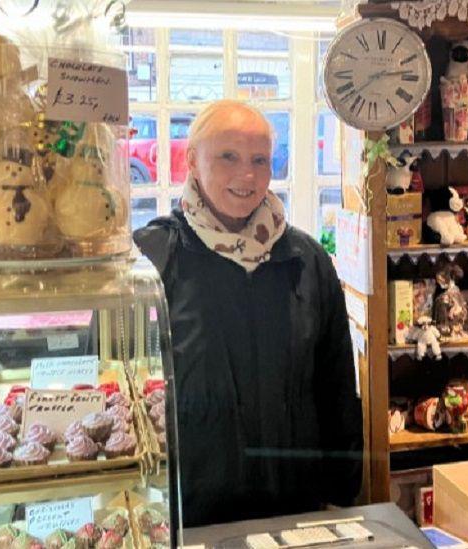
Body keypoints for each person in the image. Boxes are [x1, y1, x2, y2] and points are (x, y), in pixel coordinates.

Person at [133, 100, 363, 527]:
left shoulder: (306, 260)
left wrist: (343, 497)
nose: (247, 175)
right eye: (228, 157)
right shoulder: (153, 261)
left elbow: (337, 390)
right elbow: (120, 392)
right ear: (192, 162)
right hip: (190, 518)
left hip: (296, 514)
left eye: (260, 160)